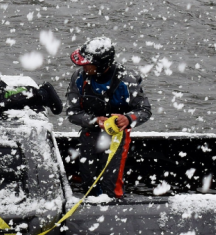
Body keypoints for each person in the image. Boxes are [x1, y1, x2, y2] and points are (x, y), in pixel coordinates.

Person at [64, 37, 151, 198]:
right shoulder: (79, 77)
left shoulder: (127, 80)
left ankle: (114, 207)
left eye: (87, 64)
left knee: (110, 183)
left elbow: (144, 110)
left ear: (101, 64)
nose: (82, 67)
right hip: (90, 133)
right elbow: (72, 112)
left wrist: (129, 118)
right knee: (88, 180)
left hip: (117, 138)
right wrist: (95, 121)